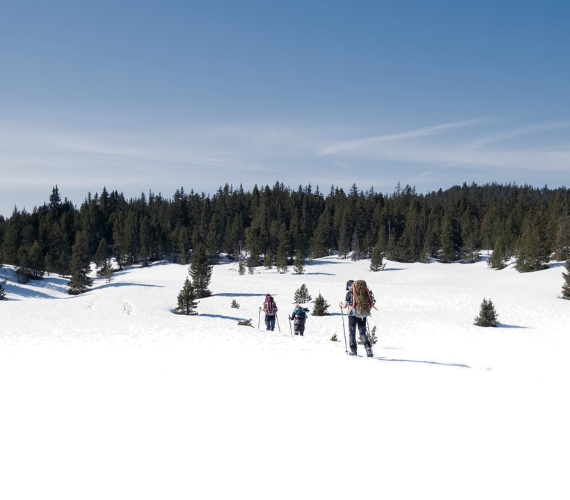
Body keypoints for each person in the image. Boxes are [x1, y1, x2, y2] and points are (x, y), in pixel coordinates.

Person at [339, 280, 376, 357]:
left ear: (349, 285)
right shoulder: (364, 292)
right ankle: (368, 348)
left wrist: (340, 305)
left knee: (352, 333)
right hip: (362, 314)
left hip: (352, 315)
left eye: (348, 287)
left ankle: (353, 350)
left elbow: (345, 306)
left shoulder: (350, 293)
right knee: (362, 333)